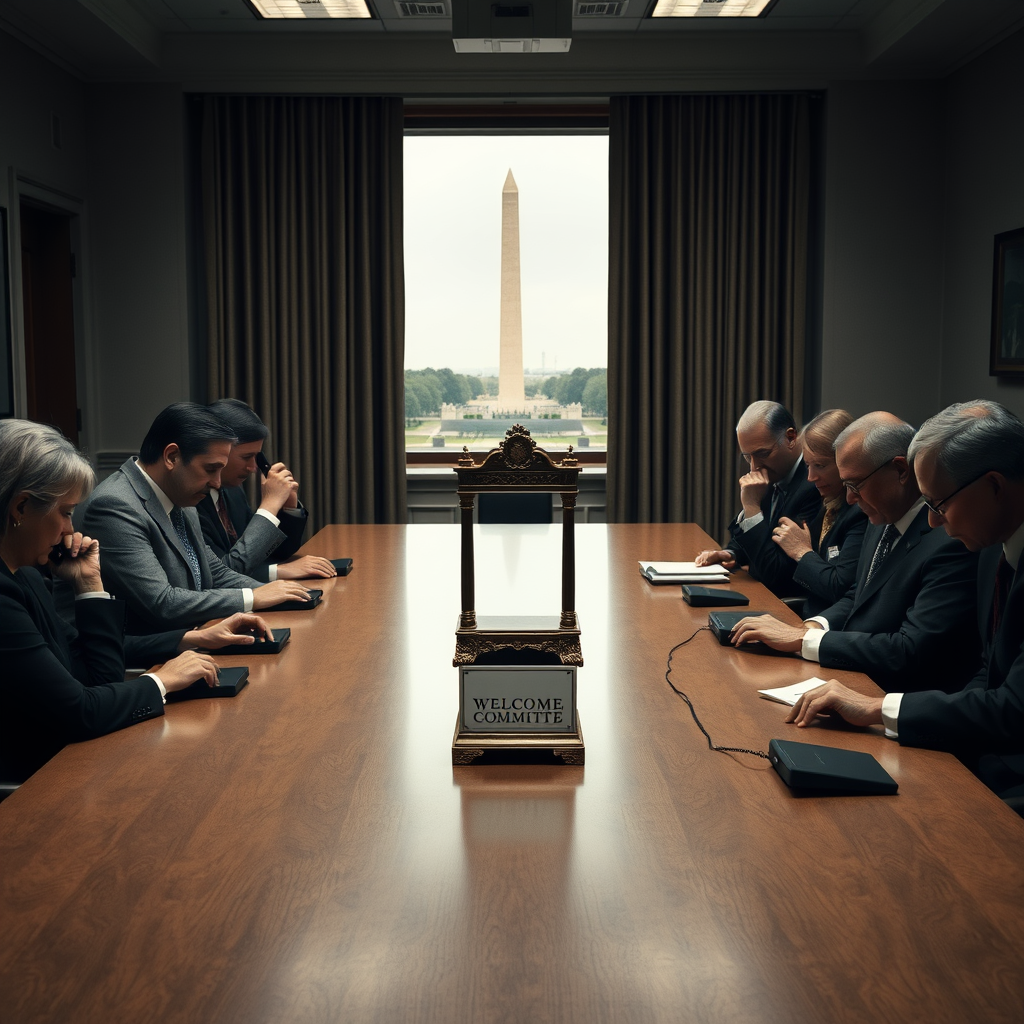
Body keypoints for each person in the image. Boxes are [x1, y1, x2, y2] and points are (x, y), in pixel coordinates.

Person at [785, 401, 1024, 797]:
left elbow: (1013, 709)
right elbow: (988, 675)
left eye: (938, 504)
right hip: (978, 749)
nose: (932, 521)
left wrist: (882, 710)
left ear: (994, 486)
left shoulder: (972, 546)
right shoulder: (990, 547)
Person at [0, 420, 228, 783]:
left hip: (72, 764)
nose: (69, 531)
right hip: (35, 787)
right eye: (65, 512)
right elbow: (81, 712)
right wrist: (162, 682)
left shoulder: (24, 576)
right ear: (21, 507)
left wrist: (89, 584)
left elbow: (98, 680)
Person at [730, 411, 980, 692]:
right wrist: (812, 628)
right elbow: (857, 597)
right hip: (852, 668)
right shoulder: (880, 517)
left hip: (891, 692)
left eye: (855, 485)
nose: (849, 498)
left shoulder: (949, 541)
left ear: (900, 470)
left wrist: (805, 642)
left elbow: (910, 650)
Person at [79, 403, 312, 634]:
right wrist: (253, 596)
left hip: (202, 633)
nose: (217, 483)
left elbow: (216, 574)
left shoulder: (180, 493)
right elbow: (162, 602)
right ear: (172, 457)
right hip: (157, 657)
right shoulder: (115, 506)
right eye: (210, 469)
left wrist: (280, 593)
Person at [198, 399, 335, 582]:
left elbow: (271, 552)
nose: (254, 467)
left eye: (257, 456)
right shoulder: (191, 500)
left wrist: (288, 507)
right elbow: (221, 574)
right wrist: (270, 505)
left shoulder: (233, 491)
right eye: (247, 457)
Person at [695, 400, 821, 598]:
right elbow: (764, 535)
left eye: (762, 454)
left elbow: (774, 572)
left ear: (790, 437)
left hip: (782, 603)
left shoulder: (813, 486)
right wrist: (731, 554)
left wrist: (751, 506)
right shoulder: (774, 472)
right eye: (747, 457)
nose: (754, 467)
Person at [770, 409, 867, 617]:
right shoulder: (828, 503)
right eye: (807, 466)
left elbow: (839, 588)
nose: (811, 477)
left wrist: (801, 551)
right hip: (807, 618)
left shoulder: (862, 513)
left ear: (846, 461)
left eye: (820, 465)